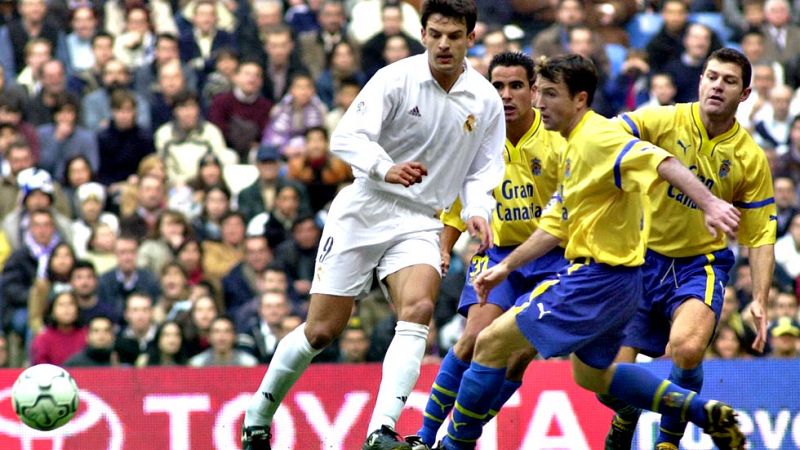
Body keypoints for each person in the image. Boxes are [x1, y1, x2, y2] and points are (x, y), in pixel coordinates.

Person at [435, 54, 744, 450]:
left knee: (491, 342)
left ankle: (453, 445)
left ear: (580, 99)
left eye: (549, 94)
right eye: (539, 92)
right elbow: (557, 223)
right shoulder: (573, 144)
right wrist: (507, 266)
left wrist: (710, 203)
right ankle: (703, 411)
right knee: (593, 377)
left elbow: (661, 160)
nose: (539, 102)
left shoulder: (598, 138)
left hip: (595, 278)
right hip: (622, 283)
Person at [240, 1, 506, 449]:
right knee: (321, 331)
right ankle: (257, 416)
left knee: (419, 309)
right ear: (422, 34)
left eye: (454, 36)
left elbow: (484, 169)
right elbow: (346, 137)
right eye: (436, 33)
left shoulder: (484, 99)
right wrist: (385, 168)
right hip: (366, 207)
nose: (444, 44)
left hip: (421, 219)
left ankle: (380, 431)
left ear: (470, 39)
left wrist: (478, 208)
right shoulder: (395, 78)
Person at [602, 48, 776, 450]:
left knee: (688, 347)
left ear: (745, 94)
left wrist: (761, 299)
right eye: (711, 77)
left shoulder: (749, 158)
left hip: (700, 263)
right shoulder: (664, 118)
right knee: (608, 378)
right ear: (700, 80)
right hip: (639, 261)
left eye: (729, 81)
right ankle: (628, 409)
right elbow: (609, 132)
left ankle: (668, 441)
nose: (717, 86)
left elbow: (761, 234)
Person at [414, 51, 566, 448]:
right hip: (497, 253)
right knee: (473, 338)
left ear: (534, 91)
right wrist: (445, 248)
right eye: (498, 86)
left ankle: (460, 437)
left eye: (516, 85)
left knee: (516, 357)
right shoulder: (479, 137)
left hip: (555, 259)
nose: (506, 94)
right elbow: (457, 202)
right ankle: (423, 437)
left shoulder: (558, 140)